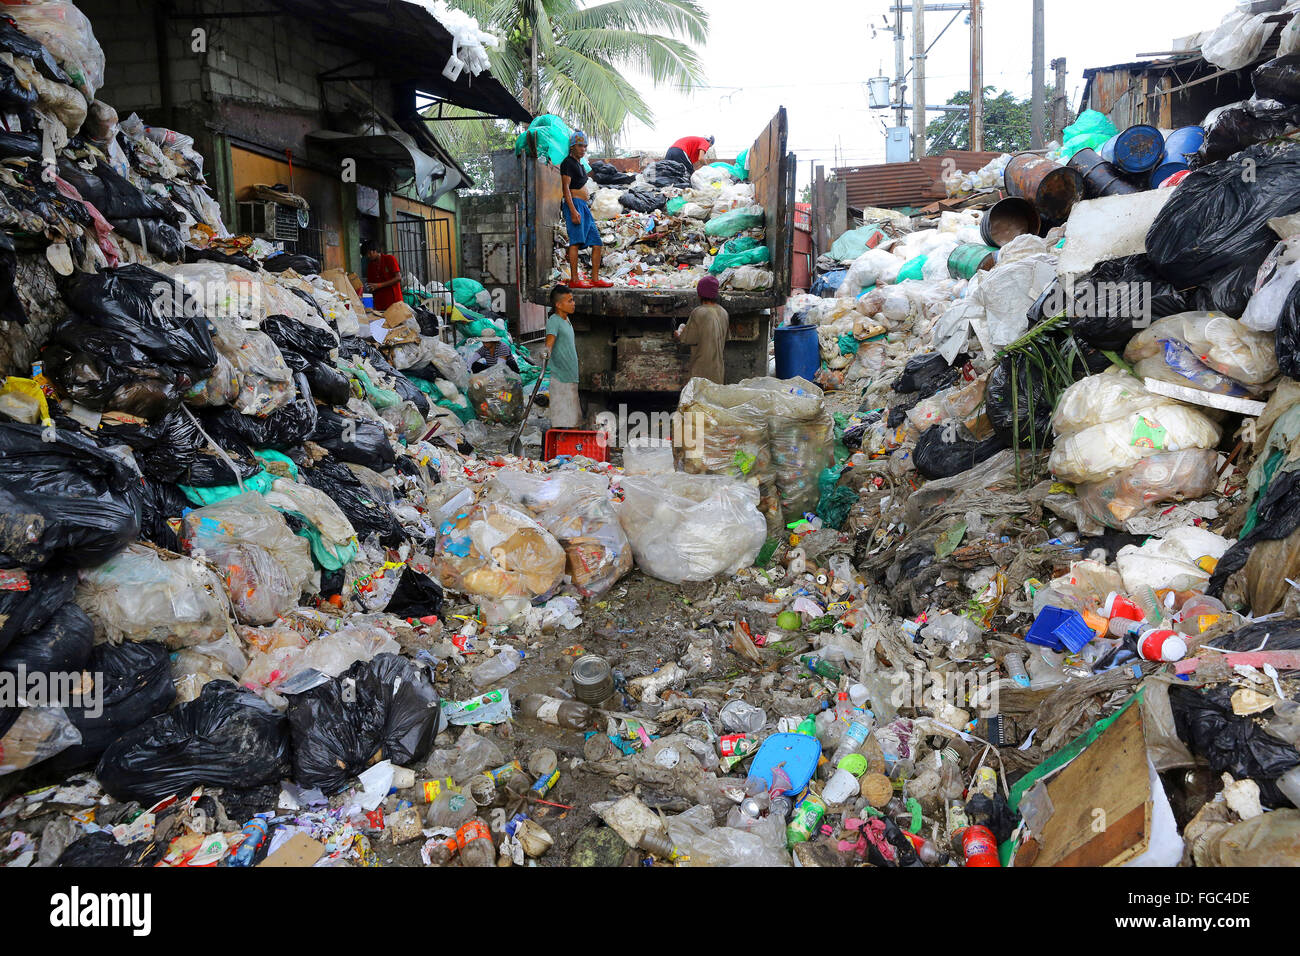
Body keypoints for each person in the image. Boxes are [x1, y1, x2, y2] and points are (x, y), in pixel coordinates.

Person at [560, 131, 611, 289]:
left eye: (585, 146)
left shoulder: (580, 164)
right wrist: (573, 210)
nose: (583, 149)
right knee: (575, 242)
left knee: (597, 242)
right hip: (575, 204)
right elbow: (565, 188)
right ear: (572, 147)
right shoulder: (567, 163)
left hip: (584, 206)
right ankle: (575, 280)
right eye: (580, 146)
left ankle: (595, 278)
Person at [674, 275, 729, 384]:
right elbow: (724, 336)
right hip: (718, 371)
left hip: (701, 372)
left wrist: (678, 333)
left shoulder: (699, 312)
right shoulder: (724, 312)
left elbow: (686, 339)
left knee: (699, 399)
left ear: (699, 294)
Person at [542, 284, 581, 427]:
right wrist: (545, 353)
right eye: (569, 301)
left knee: (573, 418)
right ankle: (560, 447)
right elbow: (549, 343)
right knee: (561, 420)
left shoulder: (566, 320)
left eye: (573, 300)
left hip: (570, 376)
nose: (573, 303)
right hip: (560, 378)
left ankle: (571, 447)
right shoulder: (554, 321)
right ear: (558, 304)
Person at [362, 239, 403, 311]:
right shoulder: (370, 266)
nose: (368, 256)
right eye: (366, 255)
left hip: (394, 301)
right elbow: (371, 285)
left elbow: (398, 278)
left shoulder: (390, 259)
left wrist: (378, 285)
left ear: (375, 250)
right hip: (380, 304)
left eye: (369, 253)